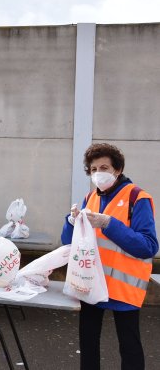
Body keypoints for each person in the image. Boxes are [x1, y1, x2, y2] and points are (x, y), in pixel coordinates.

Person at [61, 143, 157, 370]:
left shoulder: (137, 198)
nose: (97, 173)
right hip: (91, 284)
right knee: (88, 343)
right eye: (93, 169)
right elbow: (69, 242)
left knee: (129, 346)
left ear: (118, 169)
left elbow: (148, 246)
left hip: (123, 288)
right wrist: (70, 222)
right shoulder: (89, 198)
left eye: (103, 167)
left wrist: (108, 224)